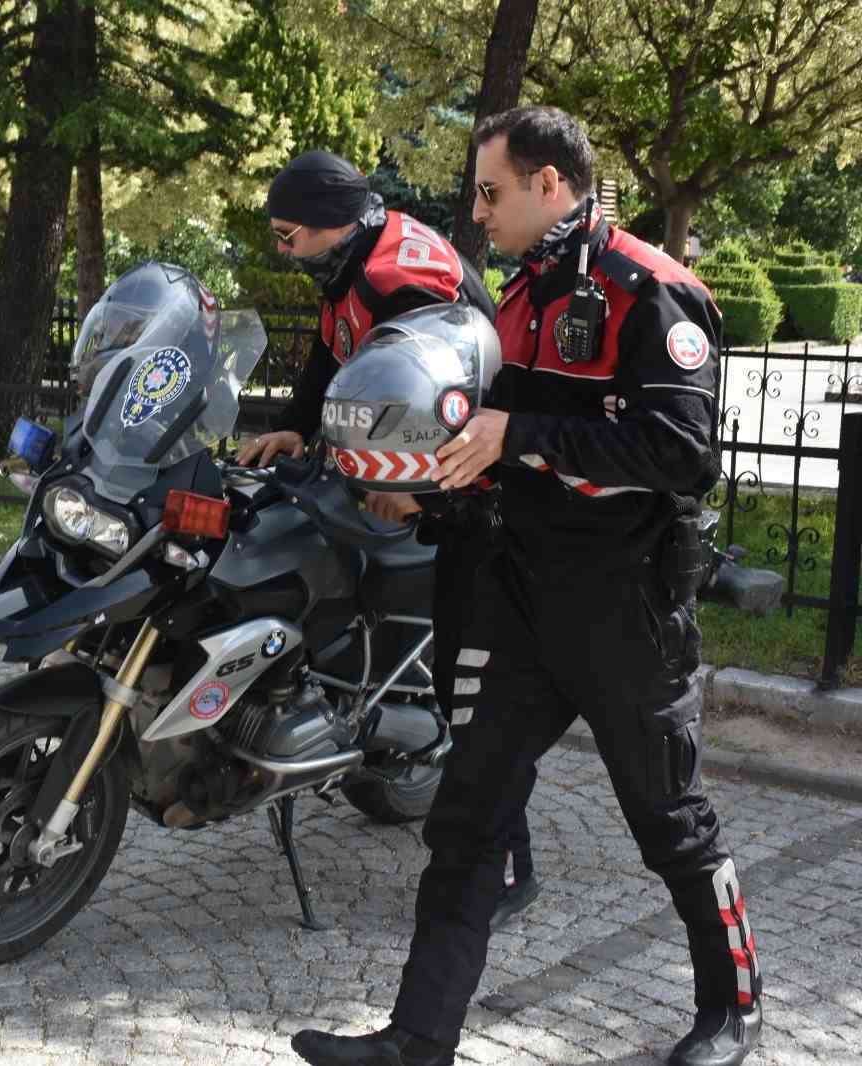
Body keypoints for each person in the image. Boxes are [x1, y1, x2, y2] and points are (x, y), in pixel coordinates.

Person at [292, 106, 761, 1066]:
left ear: (552, 184)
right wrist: (425, 494)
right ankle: (419, 1040)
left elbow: (682, 453)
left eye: (490, 192)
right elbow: (493, 451)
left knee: (672, 825)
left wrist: (522, 437)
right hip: (517, 601)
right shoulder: (514, 301)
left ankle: (732, 1009)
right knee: (466, 824)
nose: (476, 212)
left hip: (623, 608)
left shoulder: (651, 293)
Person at [238, 150, 541, 926]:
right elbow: (331, 354)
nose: (283, 250)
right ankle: (344, 717)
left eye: (289, 235)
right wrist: (294, 431)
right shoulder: (350, 266)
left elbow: (442, 385)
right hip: (404, 462)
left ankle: (511, 868)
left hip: (462, 479)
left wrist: (410, 482)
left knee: (468, 686)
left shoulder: (400, 277)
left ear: (331, 224)